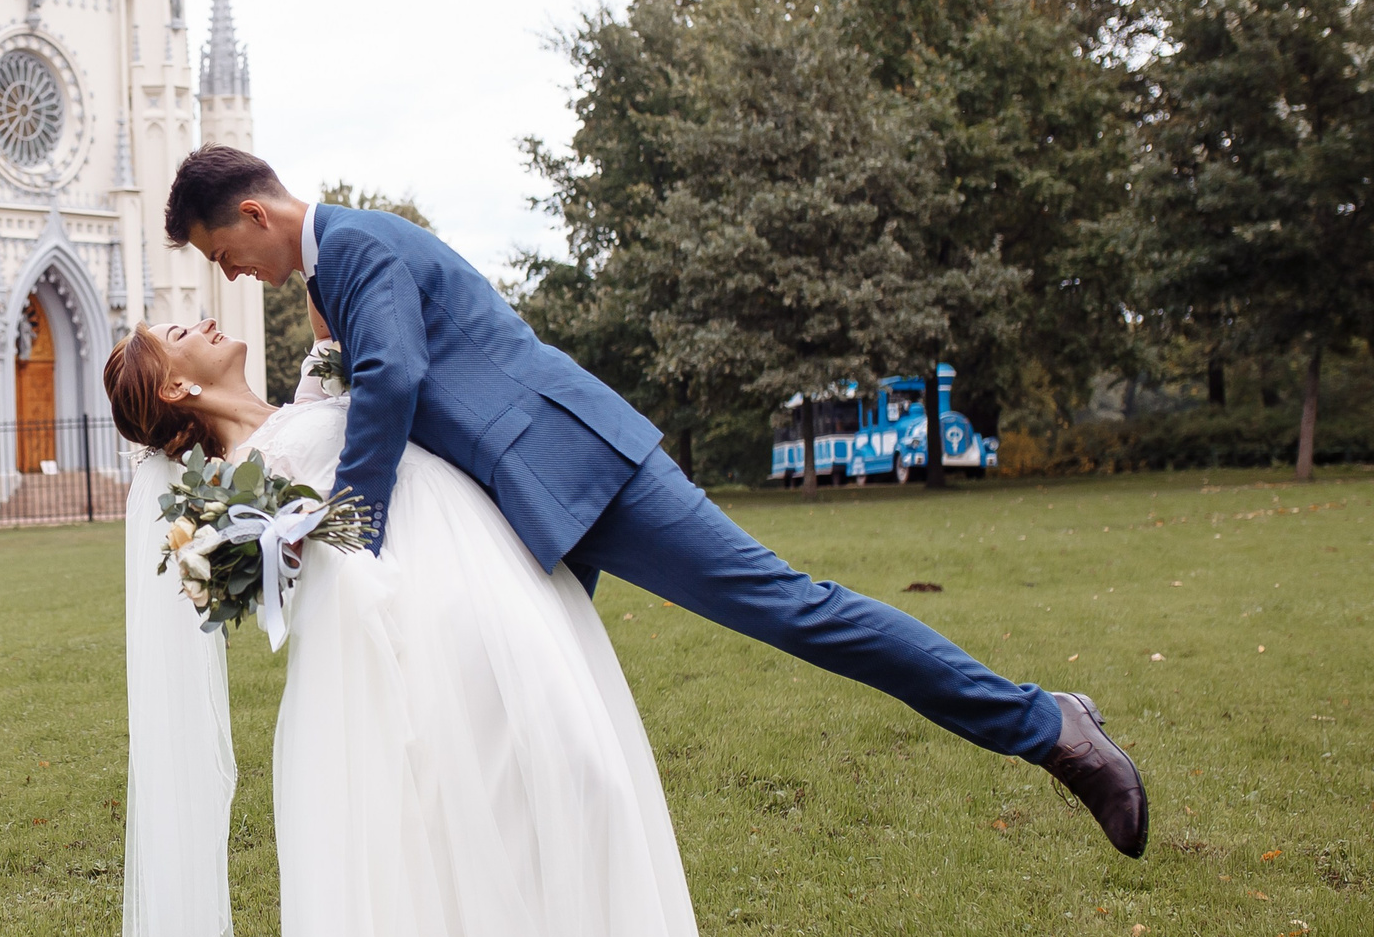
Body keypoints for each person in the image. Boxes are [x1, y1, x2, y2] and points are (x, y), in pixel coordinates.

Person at [161, 146, 1147, 858]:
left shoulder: (362, 246)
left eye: (219, 252)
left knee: (787, 608)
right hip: (521, 503)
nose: (227, 276)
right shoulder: (335, 280)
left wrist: (347, 530)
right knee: (523, 714)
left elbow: (393, 383)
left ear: (252, 214)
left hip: (579, 467)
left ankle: (1047, 728)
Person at [106, 317, 719, 937]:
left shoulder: (309, 393)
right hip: (412, 631)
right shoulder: (236, 489)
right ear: (175, 386)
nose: (206, 318)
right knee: (466, 828)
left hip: (482, 584)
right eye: (180, 331)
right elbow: (291, 584)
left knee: (578, 768)